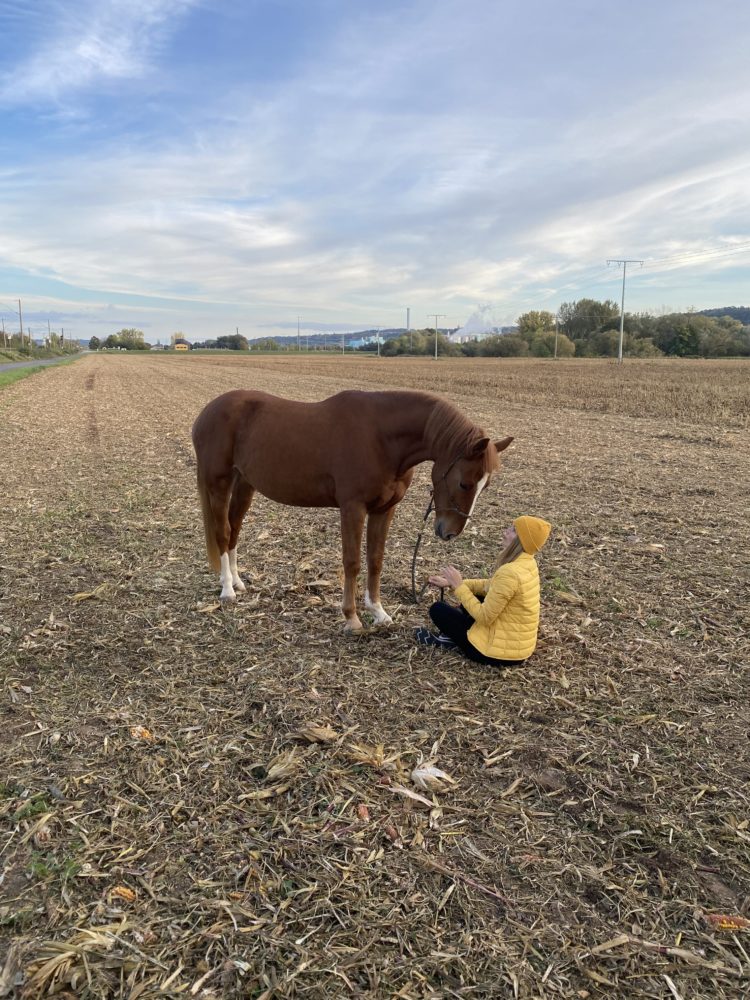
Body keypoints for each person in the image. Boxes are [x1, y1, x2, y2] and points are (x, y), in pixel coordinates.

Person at [414, 515, 552, 666]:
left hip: (492, 653)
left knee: (438, 610)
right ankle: (458, 634)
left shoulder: (510, 573)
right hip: (517, 650)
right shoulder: (527, 563)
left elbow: (485, 617)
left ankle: (451, 640)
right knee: (477, 596)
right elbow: (489, 586)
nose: (505, 532)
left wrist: (459, 587)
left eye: (513, 530)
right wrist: (450, 583)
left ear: (521, 541)